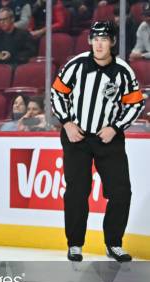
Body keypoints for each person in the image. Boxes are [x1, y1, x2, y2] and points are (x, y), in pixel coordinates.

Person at [50, 21, 145, 262]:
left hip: (108, 139)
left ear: (113, 42)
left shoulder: (123, 71)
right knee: (77, 191)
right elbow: (57, 92)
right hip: (77, 138)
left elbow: (135, 103)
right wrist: (67, 123)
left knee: (121, 191)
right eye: (96, 38)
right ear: (90, 41)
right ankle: (75, 244)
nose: (99, 43)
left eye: (105, 38)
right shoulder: (76, 65)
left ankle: (113, 243)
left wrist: (115, 127)